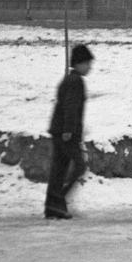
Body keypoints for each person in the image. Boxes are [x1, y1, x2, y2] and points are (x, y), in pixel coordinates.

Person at [44, 44, 92, 220]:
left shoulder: (69, 79)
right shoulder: (75, 81)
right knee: (79, 166)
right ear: (78, 63)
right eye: (87, 63)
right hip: (65, 133)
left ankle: (52, 207)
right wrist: (69, 130)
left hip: (59, 130)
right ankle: (58, 200)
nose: (89, 67)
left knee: (59, 169)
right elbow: (70, 107)